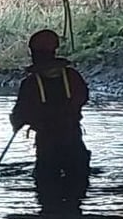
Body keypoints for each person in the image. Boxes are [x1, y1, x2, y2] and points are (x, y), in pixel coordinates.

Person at [10, 29, 90, 200]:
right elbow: (83, 98)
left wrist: (18, 123)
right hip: (73, 142)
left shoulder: (30, 84)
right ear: (54, 51)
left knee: (46, 194)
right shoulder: (73, 77)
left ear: (34, 54)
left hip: (47, 147)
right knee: (77, 193)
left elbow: (19, 114)